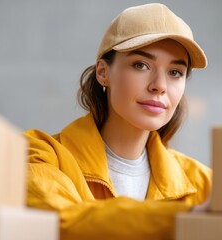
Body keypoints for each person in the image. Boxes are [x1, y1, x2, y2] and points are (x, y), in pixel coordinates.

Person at [24, 3, 211, 240]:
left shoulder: (202, 183)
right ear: (103, 72)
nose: (160, 86)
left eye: (175, 72)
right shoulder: (40, 155)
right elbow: (61, 220)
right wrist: (188, 218)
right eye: (141, 65)